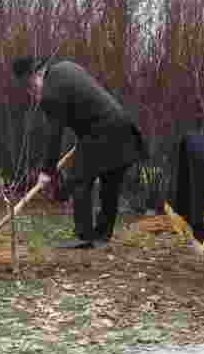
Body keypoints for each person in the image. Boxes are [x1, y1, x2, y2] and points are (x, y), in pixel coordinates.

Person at [12, 55, 148, 248]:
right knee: (110, 183)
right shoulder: (67, 67)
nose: (32, 93)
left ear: (36, 75)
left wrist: (47, 171)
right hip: (122, 127)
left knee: (79, 179)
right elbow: (85, 100)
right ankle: (102, 235)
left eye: (30, 87)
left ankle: (83, 236)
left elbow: (54, 135)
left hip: (100, 132)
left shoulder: (51, 92)